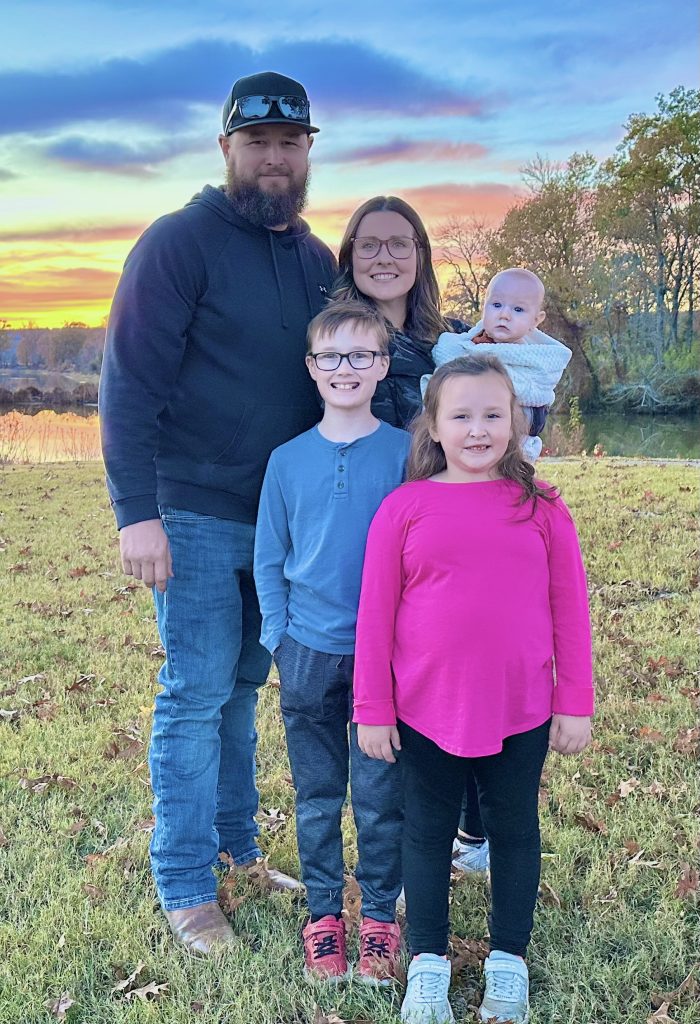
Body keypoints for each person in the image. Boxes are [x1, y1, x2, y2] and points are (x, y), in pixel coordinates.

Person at [98, 71, 337, 955]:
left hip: (278, 523)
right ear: (227, 147)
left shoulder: (316, 262)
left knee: (243, 688)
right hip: (191, 512)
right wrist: (136, 514)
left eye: (291, 142)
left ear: (308, 150)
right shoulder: (177, 244)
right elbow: (128, 386)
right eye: (258, 142)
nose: (274, 157)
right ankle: (188, 884)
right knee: (196, 694)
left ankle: (238, 849)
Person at [354, 354, 594, 1023]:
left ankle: (507, 964)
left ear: (517, 422)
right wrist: (372, 708)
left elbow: (569, 609)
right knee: (427, 833)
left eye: (494, 414)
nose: (478, 428)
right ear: (433, 426)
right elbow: (375, 615)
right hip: (425, 710)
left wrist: (574, 700)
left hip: (520, 708)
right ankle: (427, 965)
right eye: (461, 415)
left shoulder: (541, 507)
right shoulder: (405, 507)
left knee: (514, 829)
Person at [254, 300, 409, 984]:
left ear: (382, 366)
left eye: (360, 356)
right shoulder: (286, 462)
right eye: (331, 357)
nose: (345, 369)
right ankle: (324, 917)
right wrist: (278, 639)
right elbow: (268, 558)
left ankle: (379, 916)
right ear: (312, 368)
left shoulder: (408, 452)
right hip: (308, 652)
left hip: (386, 658)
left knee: (379, 796)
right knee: (318, 797)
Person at [333, 195, 488, 873]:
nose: (386, 257)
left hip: (450, 532)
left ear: (421, 255)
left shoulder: (450, 342)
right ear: (350, 254)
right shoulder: (333, 338)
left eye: (401, 244)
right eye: (370, 244)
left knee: (460, 678)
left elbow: (496, 420)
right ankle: (393, 858)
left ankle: (470, 832)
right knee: (389, 693)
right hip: (365, 531)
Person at [425, 267, 572, 462]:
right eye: (496, 304)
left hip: (512, 442)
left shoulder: (535, 357)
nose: (504, 315)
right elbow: (446, 359)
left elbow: (536, 389)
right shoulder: (468, 344)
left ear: (536, 320)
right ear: (484, 307)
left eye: (518, 309)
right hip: (465, 439)